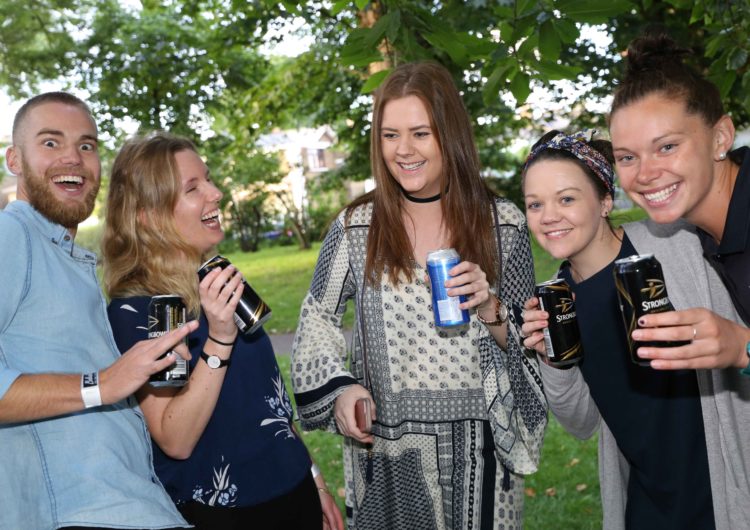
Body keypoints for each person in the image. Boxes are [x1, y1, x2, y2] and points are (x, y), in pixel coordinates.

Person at [291, 62, 547, 530]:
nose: (403, 150)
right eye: (390, 135)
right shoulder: (356, 229)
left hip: (484, 454)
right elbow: (317, 319)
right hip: (390, 453)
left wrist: (490, 308)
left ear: (449, 135)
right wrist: (342, 388)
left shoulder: (502, 224)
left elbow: (533, 342)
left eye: (420, 134)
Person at [102, 132, 344, 530]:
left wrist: (315, 480)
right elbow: (175, 439)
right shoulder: (154, 310)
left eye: (209, 179)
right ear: (147, 215)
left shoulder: (215, 277)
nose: (215, 193)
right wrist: (220, 337)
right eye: (193, 188)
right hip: (231, 514)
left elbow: (272, 400)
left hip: (294, 490)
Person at [0, 92, 194, 530]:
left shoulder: (69, 260)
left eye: (86, 146)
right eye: (51, 143)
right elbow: (102, 386)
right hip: (82, 514)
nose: (73, 158)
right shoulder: (12, 237)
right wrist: (104, 383)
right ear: (14, 159)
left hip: (131, 502)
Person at [520, 129, 732, 529]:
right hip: (649, 503)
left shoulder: (674, 247)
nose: (549, 216)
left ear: (603, 201)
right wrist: (553, 359)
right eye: (535, 204)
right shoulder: (558, 301)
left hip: (727, 489)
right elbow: (582, 423)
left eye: (567, 198)